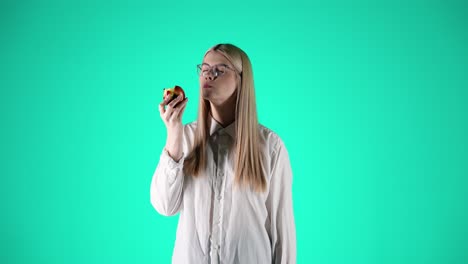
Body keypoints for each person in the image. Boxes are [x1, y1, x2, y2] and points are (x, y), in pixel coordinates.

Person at [150, 43, 296, 264]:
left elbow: (281, 232)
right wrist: (173, 133)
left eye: (219, 70)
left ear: (241, 80)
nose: (208, 75)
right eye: (205, 68)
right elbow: (165, 206)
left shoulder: (270, 147)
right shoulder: (185, 137)